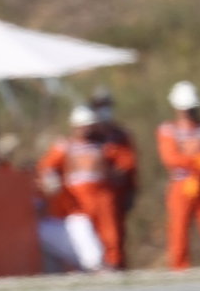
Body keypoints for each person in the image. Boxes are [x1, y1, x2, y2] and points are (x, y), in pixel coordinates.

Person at [38, 106, 135, 270]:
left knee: (110, 234)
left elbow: (125, 163)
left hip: (102, 196)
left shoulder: (104, 146)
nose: (86, 131)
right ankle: (83, 266)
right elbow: (46, 166)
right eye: (82, 127)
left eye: (89, 126)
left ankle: (113, 265)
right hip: (77, 200)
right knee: (81, 235)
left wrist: (117, 176)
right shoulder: (65, 146)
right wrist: (50, 179)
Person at [157, 81, 200, 271]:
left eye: (191, 109)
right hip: (179, 185)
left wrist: (197, 173)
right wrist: (195, 163)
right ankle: (179, 269)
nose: (188, 113)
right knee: (178, 230)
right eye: (184, 109)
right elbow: (170, 158)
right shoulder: (167, 130)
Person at [89, 87, 138, 240]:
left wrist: (131, 191)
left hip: (116, 193)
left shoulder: (121, 135)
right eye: (100, 105)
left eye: (106, 105)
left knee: (115, 236)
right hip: (91, 196)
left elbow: (129, 165)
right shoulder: (88, 135)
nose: (104, 110)